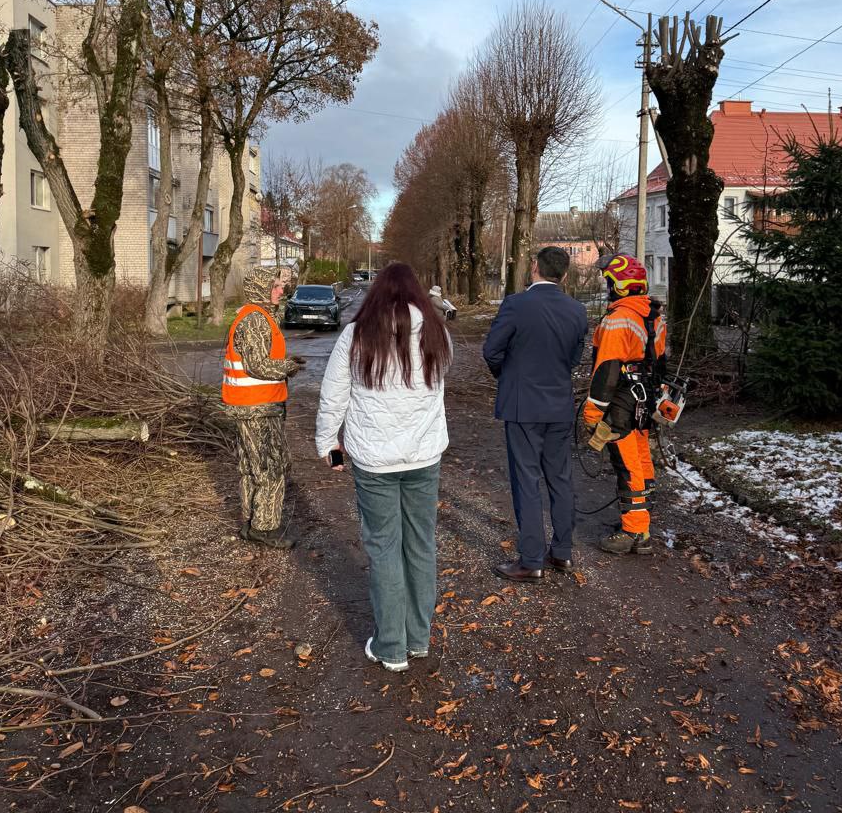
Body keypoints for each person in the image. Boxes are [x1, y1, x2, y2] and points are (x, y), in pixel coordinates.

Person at [316, 263, 452, 673]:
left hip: (374, 461)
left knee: (384, 547)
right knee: (421, 545)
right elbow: (437, 386)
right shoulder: (436, 333)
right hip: (424, 457)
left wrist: (328, 444)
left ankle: (392, 646)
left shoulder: (357, 336)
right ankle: (418, 637)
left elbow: (333, 394)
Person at [482, 246, 589, 582]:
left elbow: (491, 350)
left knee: (526, 480)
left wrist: (509, 375)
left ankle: (531, 560)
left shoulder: (516, 304)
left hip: (522, 405)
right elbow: (573, 358)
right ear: (565, 275)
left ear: (534, 269)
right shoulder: (577, 310)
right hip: (559, 405)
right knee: (560, 479)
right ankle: (562, 552)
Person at [582, 253, 667, 556]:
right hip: (646, 396)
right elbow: (659, 362)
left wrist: (592, 414)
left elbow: (606, 370)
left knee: (627, 464)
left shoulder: (619, 319)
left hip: (622, 401)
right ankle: (641, 523)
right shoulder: (652, 315)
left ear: (620, 285)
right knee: (642, 458)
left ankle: (633, 532)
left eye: (609, 281)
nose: (606, 286)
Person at [222, 266, 302, 550]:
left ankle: (252, 521)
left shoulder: (259, 315)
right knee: (271, 466)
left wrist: (287, 275)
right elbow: (259, 365)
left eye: (281, 285)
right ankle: (265, 528)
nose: (281, 289)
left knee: (251, 467)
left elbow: (257, 359)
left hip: (252, 407)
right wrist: (289, 367)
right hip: (257, 408)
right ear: (261, 289)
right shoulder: (255, 320)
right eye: (276, 285)